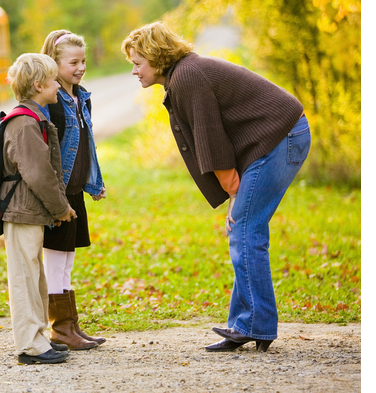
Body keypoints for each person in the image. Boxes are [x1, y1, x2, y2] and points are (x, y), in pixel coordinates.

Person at [121, 21, 310, 353]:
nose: (135, 71)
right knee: (245, 229)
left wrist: (233, 193)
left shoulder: (187, 76)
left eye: (138, 63)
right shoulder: (184, 74)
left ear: (156, 57)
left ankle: (255, 325)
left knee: (245, 229)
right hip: (277, 139)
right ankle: (245, 323)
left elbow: (211, 139)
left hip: (282, 137)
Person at [1, 53, 78, 364]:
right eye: (53, 81)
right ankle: (30, 346)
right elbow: (38, 173)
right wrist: (61, 208)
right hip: (21, 212)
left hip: (31, 211)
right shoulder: (23, 123)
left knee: (35, 277)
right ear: (37, 85)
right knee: (24, 278)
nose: (58, 86)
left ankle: (39, 337)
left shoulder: (34, 118)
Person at [39, 30, 107, 350]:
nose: (80, 67)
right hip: (58, 194)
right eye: (73, 62)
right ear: (54, 63)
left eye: (83, 61)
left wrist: (94, 182)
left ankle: (71, 326)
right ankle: (60, 328)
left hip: (76, 190)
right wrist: (54, 195)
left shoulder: (82, 97)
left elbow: (87, 146)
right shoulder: (52, 102)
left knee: (67, 260)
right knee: (55, 260)